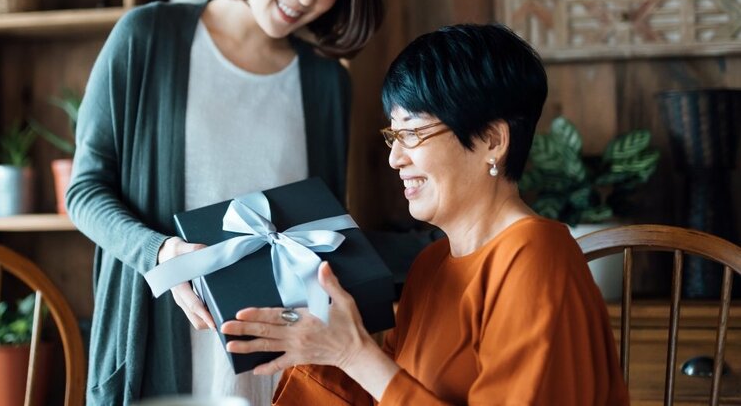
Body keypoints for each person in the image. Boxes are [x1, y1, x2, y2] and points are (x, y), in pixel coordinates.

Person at [66, 0, 383, 405]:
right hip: (157, 352)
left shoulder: (327, 84)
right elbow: (84, 190)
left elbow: (323, 232)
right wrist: (160, 254)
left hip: (279, 369)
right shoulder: (148, 39)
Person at [220, 24, 630, 405]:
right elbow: (385, 393)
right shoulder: (430, 266)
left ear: (492, 139)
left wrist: (354, 353)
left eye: (413, 133)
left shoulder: (535, 257)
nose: (396, 158)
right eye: (393, 136)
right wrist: (317, 339)